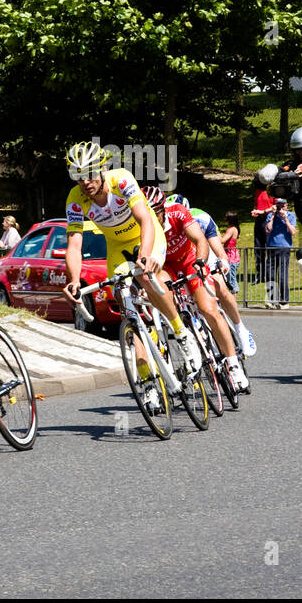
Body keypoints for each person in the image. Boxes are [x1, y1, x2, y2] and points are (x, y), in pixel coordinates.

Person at [56, 140, 202, 407]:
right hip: (117, 247)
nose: (85, 181)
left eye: (89, 172)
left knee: (146, 277)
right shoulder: (75, 200)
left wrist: (145, 256)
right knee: (129, 312)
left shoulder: (121, 180)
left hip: (146, 235)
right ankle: (147, 382)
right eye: (78, 176)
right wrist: (74, 280)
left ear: (101, 169)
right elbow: (74, 244)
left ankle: (182, 334)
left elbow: (146, 219)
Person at [145, 189, 249, 392]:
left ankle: (233, 363)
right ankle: (186, 334)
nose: (153, 219)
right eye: (149, 214)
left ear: (162, 210)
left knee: (208, 308)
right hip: (166, 267)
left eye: (156, 212)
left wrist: (201, 262)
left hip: (188, 260)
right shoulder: (144, 228)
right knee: (164, 292)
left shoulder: (177, 212)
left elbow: (201, 240)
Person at [263, 197, 297, 308]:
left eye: (283, 206)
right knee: (270, 274)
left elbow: (293, 232)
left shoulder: (291, 215)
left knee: (283, 275)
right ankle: (271, 300)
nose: (281, 208)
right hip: (272, 247)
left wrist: (285, 219)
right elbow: (268, 229)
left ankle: (284, 301)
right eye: (279, 206)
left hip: (284, 248)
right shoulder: (271, 215)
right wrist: (273, 216)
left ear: (286, 206)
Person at [250, 168, 275, 286]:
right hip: (259, 221)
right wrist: (255, 210)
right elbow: (256, 202)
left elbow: (275, 207)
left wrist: (263, 211)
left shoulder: (272, 190)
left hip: (269, 220)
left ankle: (270, 276)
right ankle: (260, 275)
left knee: (269, 248)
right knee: (258, 248)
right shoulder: (258, 190)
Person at [221, 211, 241, 296]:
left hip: (231, 257)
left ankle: (233, 302)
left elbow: (222, 240)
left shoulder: (231, 229)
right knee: (229, 279)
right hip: (233, 256)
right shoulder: (235, 228)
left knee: (231, 280)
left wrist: (215, 236)